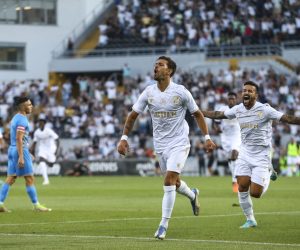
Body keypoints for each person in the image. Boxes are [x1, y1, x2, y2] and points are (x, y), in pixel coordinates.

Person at [117, 56, 216, 239]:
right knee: (175, 183)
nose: (156, 67)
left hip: (179, 142)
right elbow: (132, 116)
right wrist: (123, 138)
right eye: (155, 65)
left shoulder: (181, 92)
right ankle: (192, 195)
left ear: (169, 71)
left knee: (169, 181)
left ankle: (163, 225)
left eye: (160, 65)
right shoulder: (148, 92)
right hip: (160, 145)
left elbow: (198, 114)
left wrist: (207, 137)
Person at [202, 80, 300, 228]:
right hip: (245, 153)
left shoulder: (265, 110)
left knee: (255, 193)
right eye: (244, 90)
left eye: (250, 91)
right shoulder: (238, 109)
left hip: (262, 155)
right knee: (241, 187)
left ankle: (268, 171)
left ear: (256, 95)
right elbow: (218, 114)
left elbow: (288, 118)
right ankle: (250, 219)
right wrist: (199, 112)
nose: (246, 93)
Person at [0, 97, 51, 212]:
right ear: (22, 106)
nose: (31, 106)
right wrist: (22, 156)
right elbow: (19, 138)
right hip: (19, 151)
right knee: (29, 178)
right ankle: (36, 205)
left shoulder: (15, 118)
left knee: (10, 178)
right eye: (29, 104)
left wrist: (27, 152)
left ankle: (0, 203)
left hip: (12, 150)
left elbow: (17, 139)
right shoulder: (23, 120)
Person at [214, 92, 241, 195]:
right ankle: (234, 176)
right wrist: (217, 129)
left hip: (236, 136)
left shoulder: (239, 109)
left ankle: (235, 181)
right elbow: (216, 123)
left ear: (236, 100)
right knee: (231, 159)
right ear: (227, 100)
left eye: (233, 99)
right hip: (225, 137)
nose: (231, 101)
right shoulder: (222, 109)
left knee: (235, 154)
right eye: (229, 99)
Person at [31, 114, 59, 185]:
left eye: (42, 121)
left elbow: (57, 139)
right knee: (41, 162)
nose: (40, 123)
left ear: (44, 123)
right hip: (42, 149)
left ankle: (47, 161)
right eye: (39, 121)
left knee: (51, 164)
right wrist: (33, 153)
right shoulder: (37, 132)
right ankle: (46, 180)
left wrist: (56, 150)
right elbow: (34, 143)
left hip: (51, 149)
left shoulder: (49, 131)